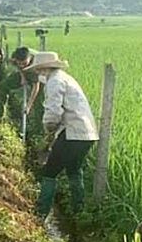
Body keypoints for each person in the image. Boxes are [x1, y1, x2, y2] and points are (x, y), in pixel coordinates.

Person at [23, 52, 98, 218]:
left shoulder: (55, 82)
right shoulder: (63, 77)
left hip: (73, 133)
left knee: (49, 172)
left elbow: (53, 112)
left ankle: (41, 213)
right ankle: (78, 210)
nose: (37, 72)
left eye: (38, 69)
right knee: (73, 169)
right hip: (87, 134)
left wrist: (48, 130)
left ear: (44, 68)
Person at [0, 47, 41, 125]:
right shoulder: (14, 57)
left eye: (24, 63)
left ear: (29, 58)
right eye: (19, 63)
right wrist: (22, 77)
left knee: (39, 100)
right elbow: (19, 66)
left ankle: (37, 124)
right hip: (24, 73)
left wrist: (28, 106)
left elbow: (36, 86)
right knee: (3, 85)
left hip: (41, 76)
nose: (22, 65)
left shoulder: (36, 63)